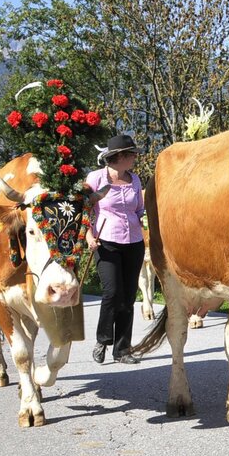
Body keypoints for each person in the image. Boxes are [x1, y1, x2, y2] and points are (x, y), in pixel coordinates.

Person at [86, 134, 146, 364]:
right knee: (112, 293)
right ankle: (102, 340)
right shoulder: (95, 178)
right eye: (132, 155)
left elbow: (139, 210)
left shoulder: (135, 180)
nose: (135, 158)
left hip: (134, 242)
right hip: (105, 242)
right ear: (120, 156)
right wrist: (88, 235)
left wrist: (144, 220)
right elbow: (83, 208)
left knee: (128, 297)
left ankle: (122, 350)